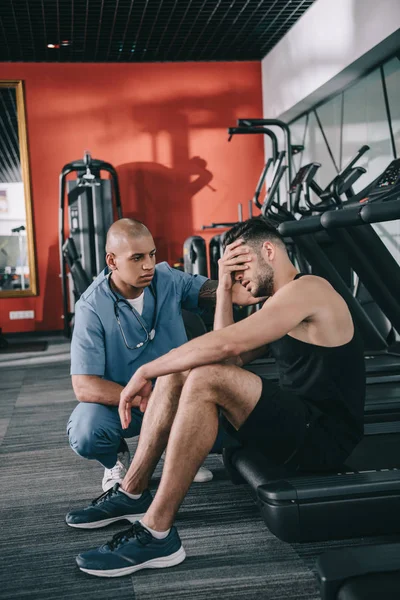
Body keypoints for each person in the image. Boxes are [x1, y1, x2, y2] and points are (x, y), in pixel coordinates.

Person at [69, 217, 366, 577]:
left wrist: (146, 370)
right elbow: (226, 358)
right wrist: (222, 287)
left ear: (268, 251)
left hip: (323, 437)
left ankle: (156, 531)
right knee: (183, 370)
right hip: (294, 427)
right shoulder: (278, 303)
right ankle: (132, 490)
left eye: (241, 268)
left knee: (202, 376)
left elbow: (224, 345)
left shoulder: (309, 290)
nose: (241, 280)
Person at [67, 218, 258, 499]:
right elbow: (84, 386)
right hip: (128, 403)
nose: (148, 265)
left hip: (182, 398)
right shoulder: (91, 306)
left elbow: (237, 294)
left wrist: (279, 282)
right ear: (112, 260)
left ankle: (177, 448)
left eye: (151, 254)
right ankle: (115, 460)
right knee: (86, 432)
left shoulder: (167, 278)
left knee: (239, 427)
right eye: (137, 258)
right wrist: (150, 400)